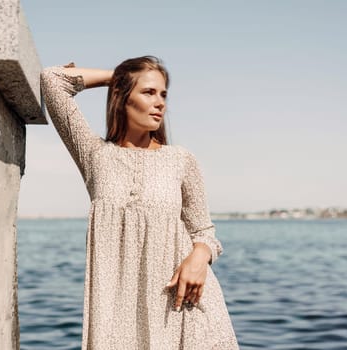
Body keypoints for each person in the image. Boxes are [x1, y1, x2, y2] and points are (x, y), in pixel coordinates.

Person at [40, 56, 238, 349]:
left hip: (183, 307)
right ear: (121, 96)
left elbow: (204, 232)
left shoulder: (181, 160)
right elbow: (52, 80)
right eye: (148, 92)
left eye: (163, 94)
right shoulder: (95, 156)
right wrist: (116, 77)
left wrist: (199, 258)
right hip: (118, 318)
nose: (160, 103)